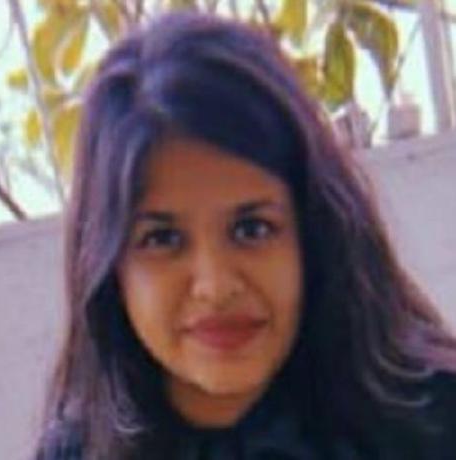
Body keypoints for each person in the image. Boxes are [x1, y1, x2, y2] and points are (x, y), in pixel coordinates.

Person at [34, 11, 456, 460]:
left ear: (313, 234)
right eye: (162, 239)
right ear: (108, 265)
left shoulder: (430, 422)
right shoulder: (81, 452)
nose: (215, 287)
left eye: (252, 229)